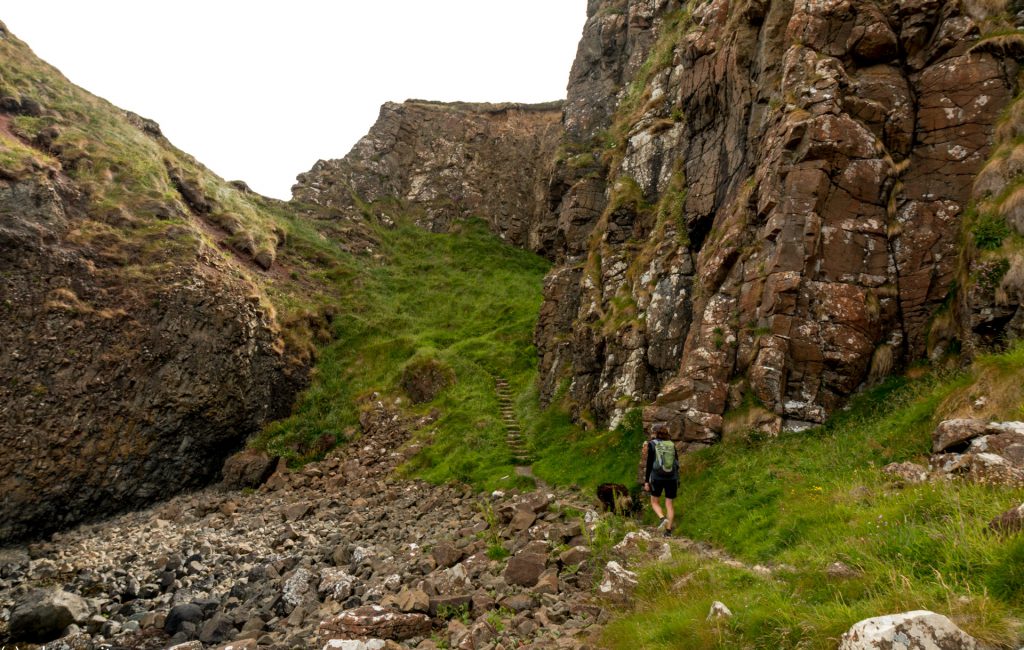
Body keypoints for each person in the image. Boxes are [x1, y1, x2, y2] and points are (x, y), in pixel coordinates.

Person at [638, 421, 679, 536]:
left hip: (657, 477)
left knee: (654, 501)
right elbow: (676, 463)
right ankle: (668, 532)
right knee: (669, 504)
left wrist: (646, 481)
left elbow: (649, 464)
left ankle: (662, 518)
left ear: (655, 433)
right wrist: (677, 479)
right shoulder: (671, 444)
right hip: (672, 478)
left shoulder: (652, 444)